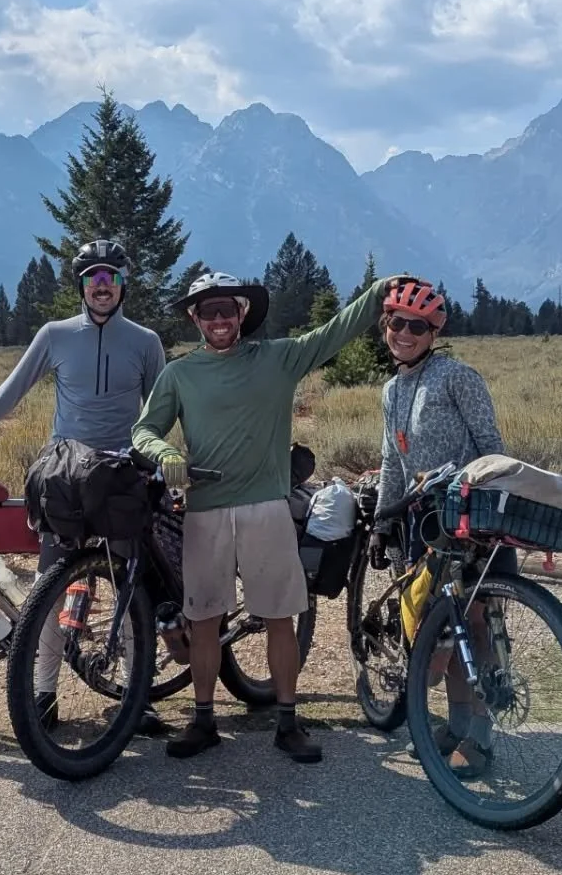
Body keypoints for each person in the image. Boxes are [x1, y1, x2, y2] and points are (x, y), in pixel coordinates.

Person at [132, 268, 403, 763]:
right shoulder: (179, 374)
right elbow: (143, 430)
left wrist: (378, 292)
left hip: (266, 507)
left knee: (279, 617)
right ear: (195, 317)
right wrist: (164, 454)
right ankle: (204, 720)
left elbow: (334, 332)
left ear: (243, 314)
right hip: (205, 509)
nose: (218, 318)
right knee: (206, 618)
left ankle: (286, 720)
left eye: (227, 309)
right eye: (208, 310)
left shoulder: (279, 358)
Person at [0, 239, 168, 732]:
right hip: (65, 476)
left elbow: (160, 411)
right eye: (93, 280)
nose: (102, 288)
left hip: (123, 475)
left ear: (123, 286)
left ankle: (133, 694)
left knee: (128, 588)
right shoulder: (56, 335)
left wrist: (164, 461)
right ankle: (43, 693)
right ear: (81, 287)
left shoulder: (145, 341)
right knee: (50, 586)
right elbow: (11, 390)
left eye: (110, 279)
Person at [370, 278, 509, 779]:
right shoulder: (391, 389)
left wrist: (478, 498)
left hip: (469, 517)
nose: (403, 333)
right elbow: (392, 460)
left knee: (478, 627)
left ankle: (483, 738)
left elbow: (493, 447)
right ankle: (453, 727)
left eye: (416, 326)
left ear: (433, 331)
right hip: (420, 522)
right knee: (443, 629)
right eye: (395, 323)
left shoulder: (457, 377)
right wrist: (383, 522)